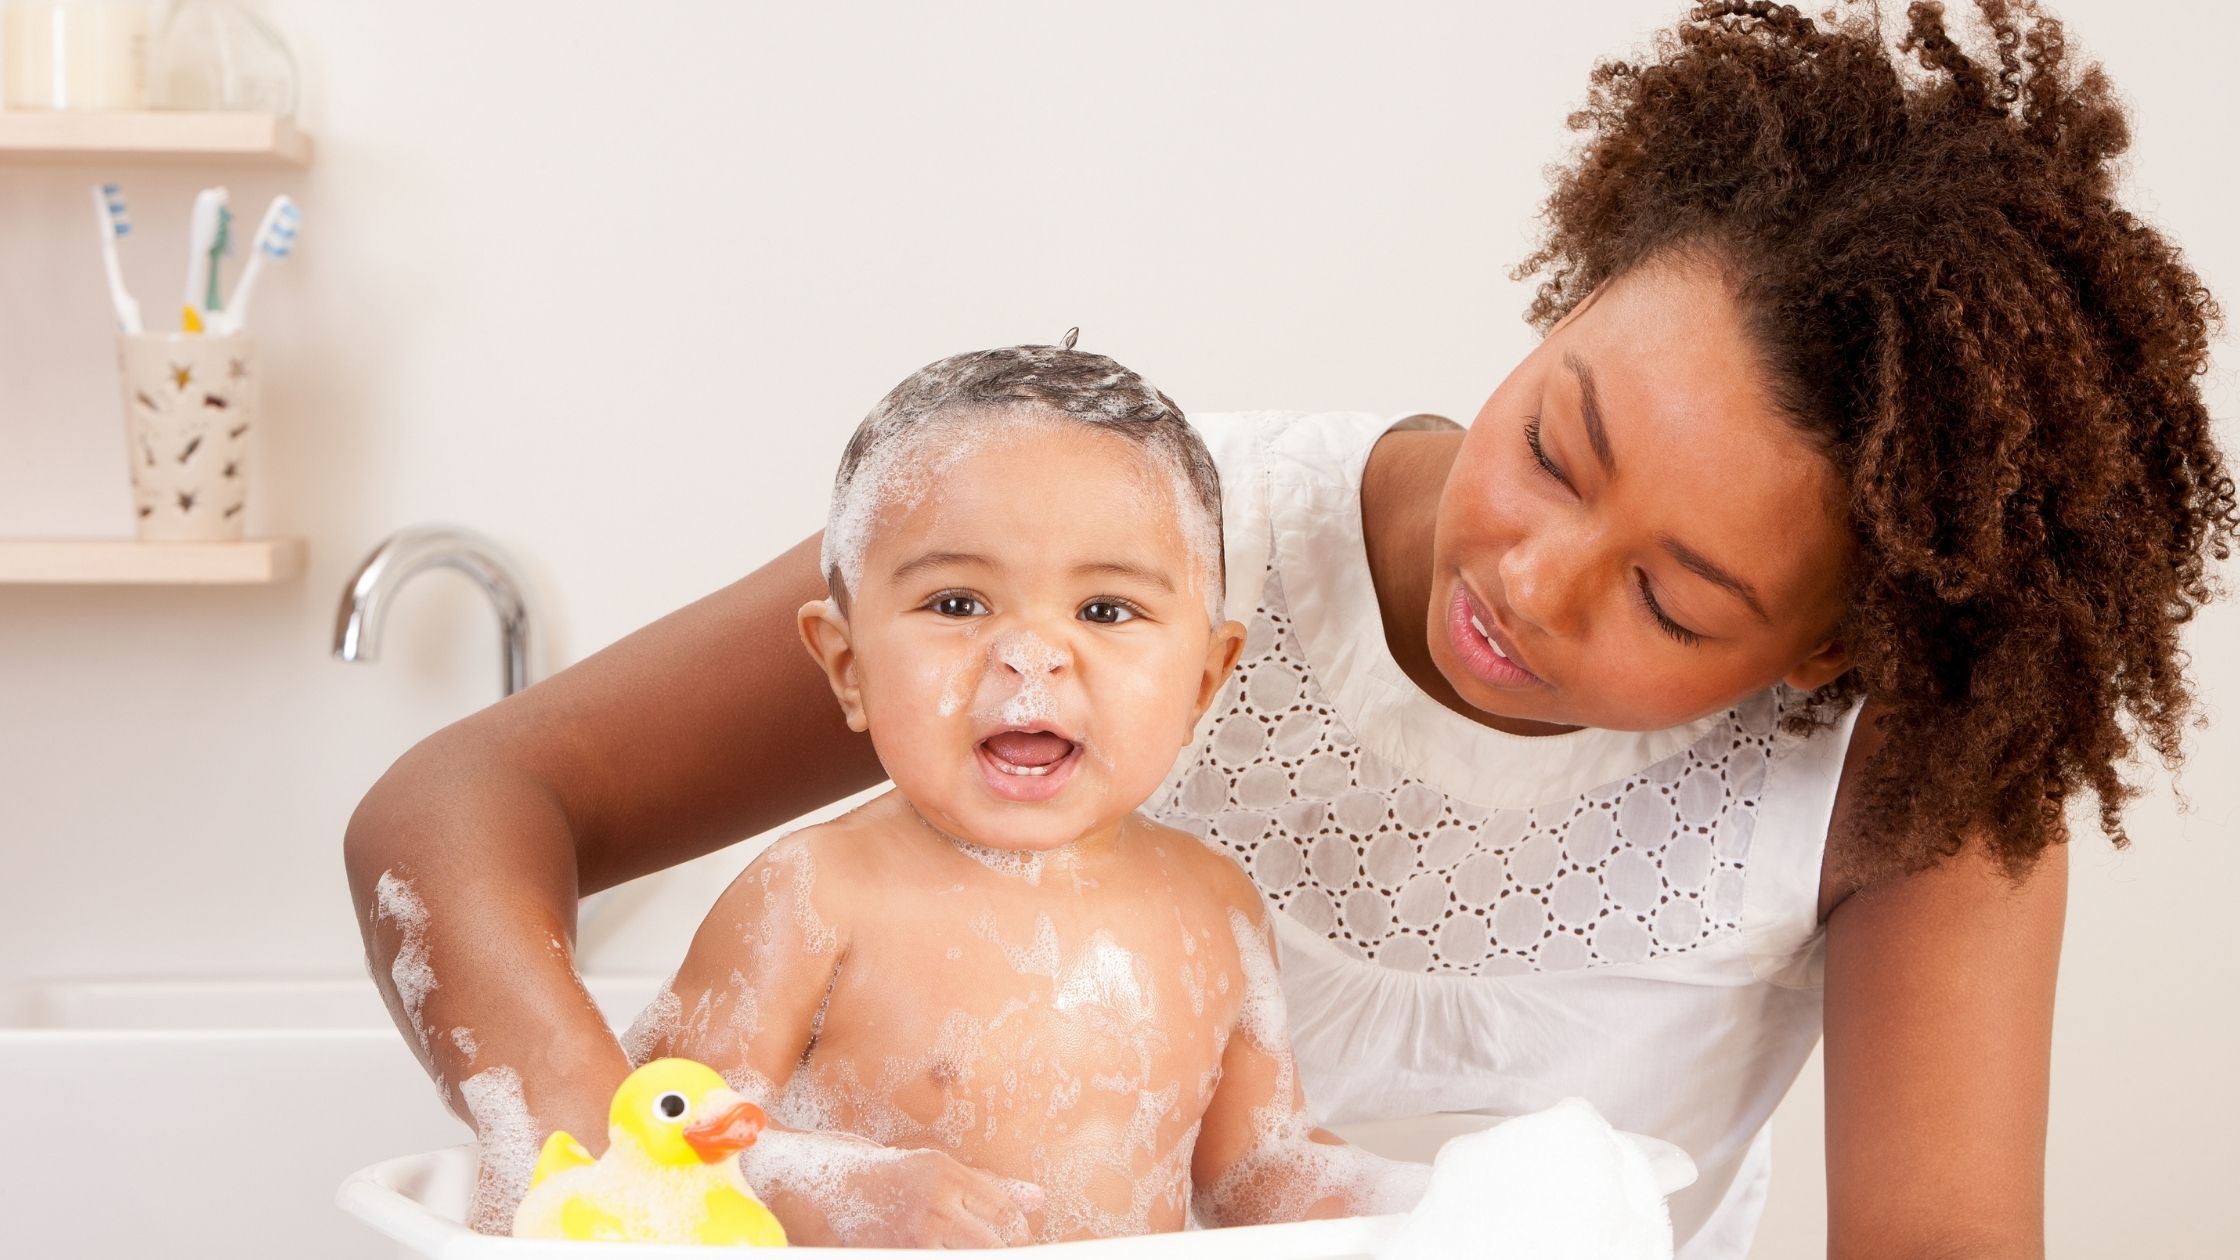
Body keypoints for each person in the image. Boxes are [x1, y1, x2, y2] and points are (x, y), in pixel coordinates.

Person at [345, 2, 2235, 1255]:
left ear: (1831, 656)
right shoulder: (1131, 548)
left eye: (1673, 598)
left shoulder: (1907, 783)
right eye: (1556, 443)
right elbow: (463, 807)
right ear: (1570, 290)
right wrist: (627, 1186)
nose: (1527, 579)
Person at [619, 344, 1425, 1243]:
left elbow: (1255, 1171)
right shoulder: (815, 894)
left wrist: (1449, 1206)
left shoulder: (1215, 906)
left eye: (1106, 610)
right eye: (958, 603)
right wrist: (844, 1193)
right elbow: (650, 1143)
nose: (1032, 654)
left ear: (1204, 681)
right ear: (848, 667)